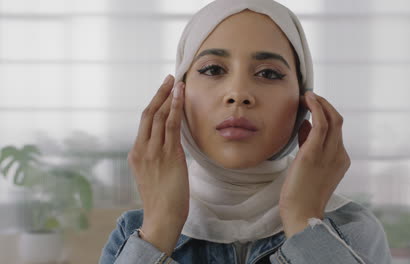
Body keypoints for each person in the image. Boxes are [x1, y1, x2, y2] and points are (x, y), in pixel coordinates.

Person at [99, 0, 392, 263]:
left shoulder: (352, 228)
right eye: (213, 70)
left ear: (303, 98)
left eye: (268, 73)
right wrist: (161, 227)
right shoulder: (135, 233)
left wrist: (304, 222)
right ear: (180, 93)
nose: (238, 94)